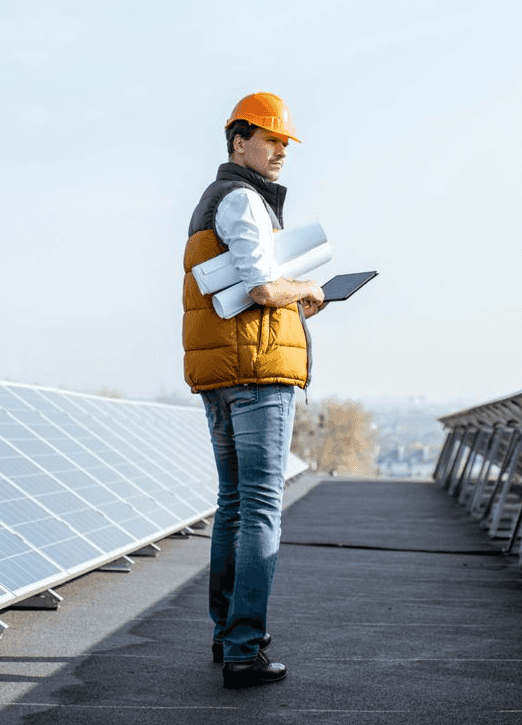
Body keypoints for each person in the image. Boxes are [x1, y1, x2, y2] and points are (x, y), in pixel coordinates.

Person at [182, 91, 324, 689]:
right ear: (238, 141)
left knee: (236, 506)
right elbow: (264, 289)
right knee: (260, 508)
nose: (280, 151)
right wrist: (308, 291)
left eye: (285, 143)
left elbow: (243, 293)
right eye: (271, 140)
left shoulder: (211, 202)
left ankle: (227, 638)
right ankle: (245, 647)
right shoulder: (242, 199)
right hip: (257, 377)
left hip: (225, 373)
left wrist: (290, 299)